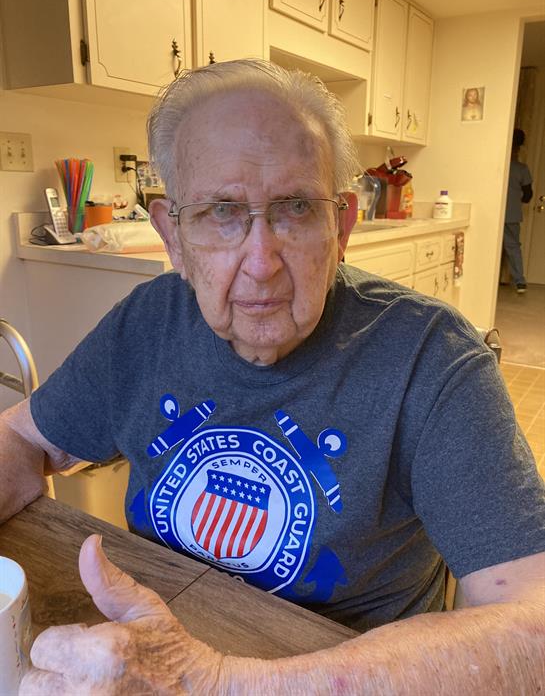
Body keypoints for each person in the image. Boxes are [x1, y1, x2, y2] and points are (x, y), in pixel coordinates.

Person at [0, 60, 543, 694]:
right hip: (145, 657)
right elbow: (24, 438)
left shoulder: (433, 357)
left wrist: (219, 683)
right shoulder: (146, 325)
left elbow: (532, 630)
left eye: (295, 208)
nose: (261, 263)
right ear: (172, 236)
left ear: (340, 227)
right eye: (221, 212)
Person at [503, 128, 533, 293]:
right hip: (512, 214)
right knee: (513, 247)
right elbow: (528, 195)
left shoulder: (496, 165)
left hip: (493, 213)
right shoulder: (521, 169)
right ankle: (520, 282)